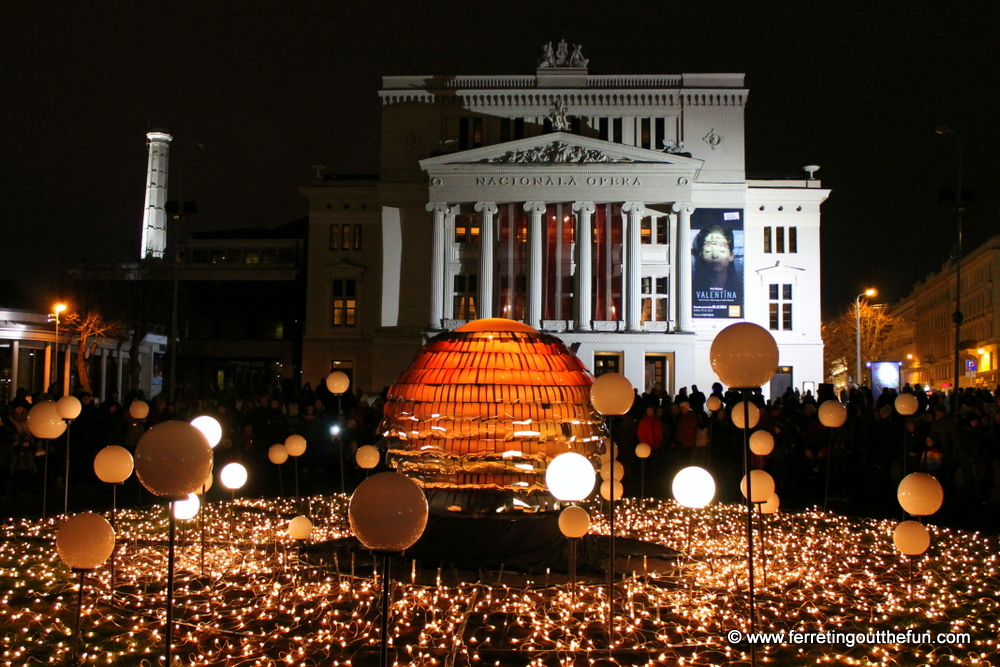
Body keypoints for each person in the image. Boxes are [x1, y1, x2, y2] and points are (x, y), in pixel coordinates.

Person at [692, 224, 742, 298]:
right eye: (708, 251)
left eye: (721, 250)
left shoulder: (740, 292)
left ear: (731, 255)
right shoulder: (691, 291)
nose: (715, 255)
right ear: (700, 255)